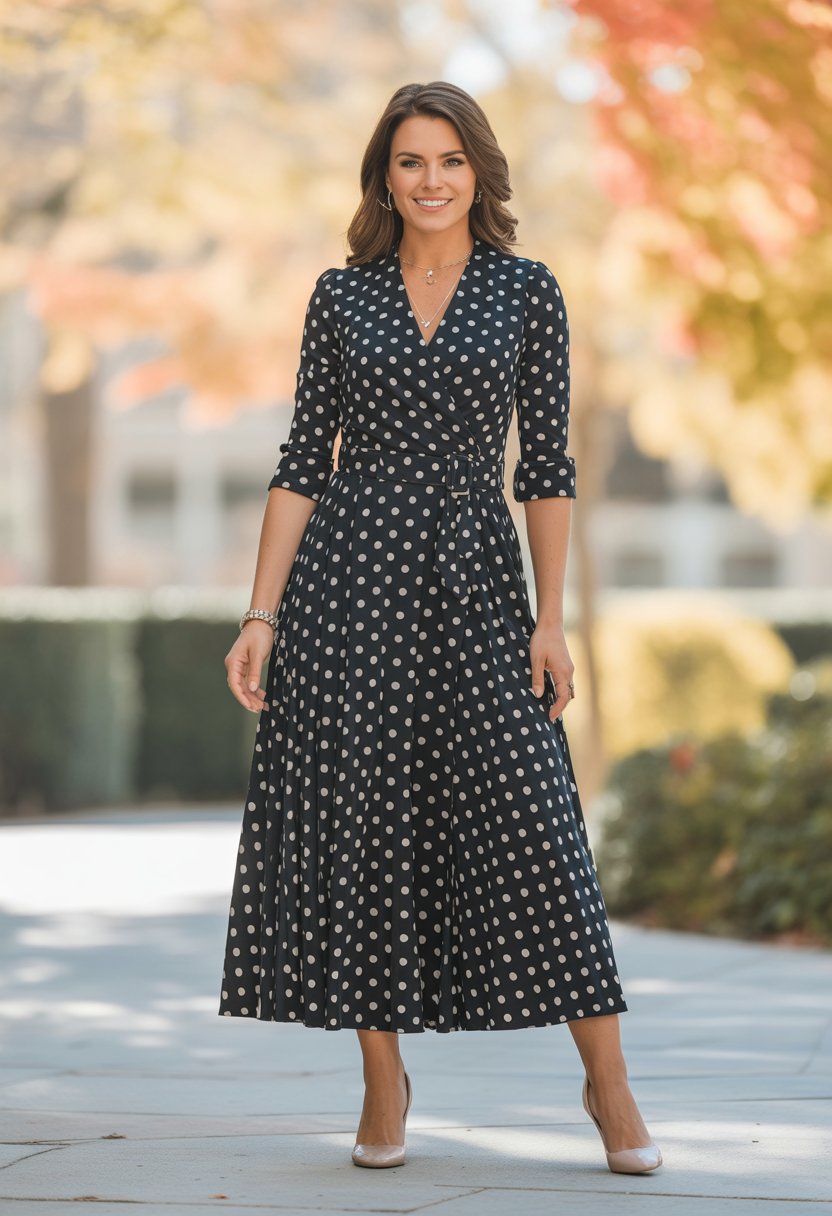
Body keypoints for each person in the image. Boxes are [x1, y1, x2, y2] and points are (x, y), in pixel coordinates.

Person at [219, 80, 662, 1175]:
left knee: (534, 825)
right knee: (360, 828)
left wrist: (550, 620)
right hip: (346, 585)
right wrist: (261, 612)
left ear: (479, 172)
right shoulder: (340, 295)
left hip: (473, 582)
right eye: (410, 161)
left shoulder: (525, 291)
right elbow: (299, 464)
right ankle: (382, 1076)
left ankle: (607, 1081)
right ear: (384, 176)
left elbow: (546, 469)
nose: (430, 180)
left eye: (450, 160)